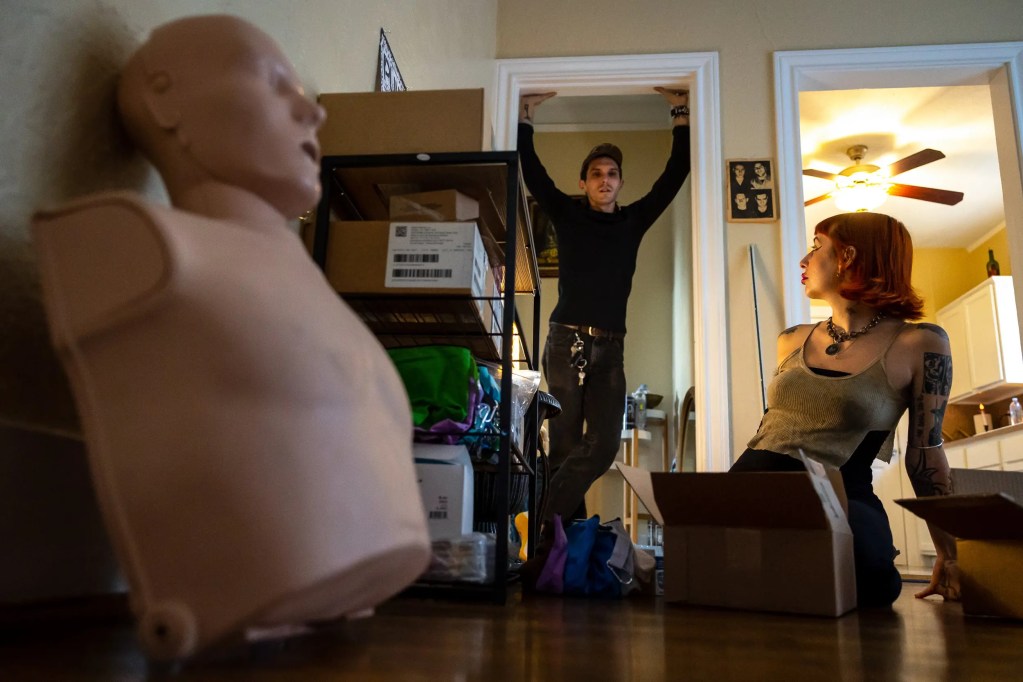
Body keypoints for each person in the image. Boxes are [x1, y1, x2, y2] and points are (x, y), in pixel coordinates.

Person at [31, 15, 430, 659]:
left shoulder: (308, 285)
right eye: (275, 83)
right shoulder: (143, 245)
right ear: (165, 97)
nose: (312, 112)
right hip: (231, 604)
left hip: (347, 599)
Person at [731, 211, 959, 608]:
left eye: (816, 247)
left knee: (874, 582)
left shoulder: (919, 342)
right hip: (754, 488)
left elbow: (926, 454)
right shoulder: (792, 340)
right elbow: (775, 426)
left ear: (848, 256)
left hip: (839, 497)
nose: (804, 261)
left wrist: (949, 554)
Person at [517, 87, 692, 559]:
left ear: (619, 182)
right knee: (565, 446)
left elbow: (674, 177)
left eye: (612, 173)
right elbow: (533, 175)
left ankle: (535, 532)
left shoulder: (632, 222)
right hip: (565, 340)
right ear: (584, 182)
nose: (605, 179)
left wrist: (681, 115)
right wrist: (525, 118)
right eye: (596, 173)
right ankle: (559, 548)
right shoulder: (568, 216)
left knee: (603, 444)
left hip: (611, 347)